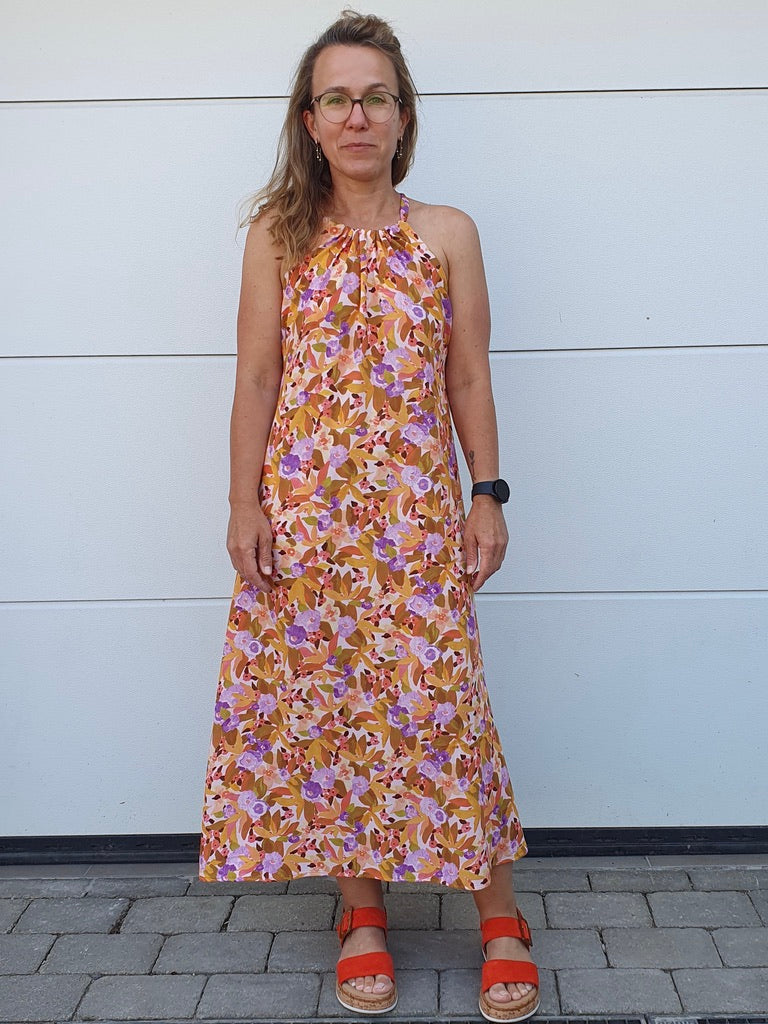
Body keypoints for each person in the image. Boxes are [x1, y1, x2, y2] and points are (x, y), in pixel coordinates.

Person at [198, 9, 539, 1021]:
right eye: (337, 99)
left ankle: (500, 916)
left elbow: (468, 377)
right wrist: (243, 505)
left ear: (403, 116)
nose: (357, 116)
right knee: (331, 709)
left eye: (375, 98)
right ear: (309, 121)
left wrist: (487, 494)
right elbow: (256, 378)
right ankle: (361, 911)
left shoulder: (447, 235)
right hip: (308, 523)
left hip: (416, 523)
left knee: (444, 711)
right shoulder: (278, 236)